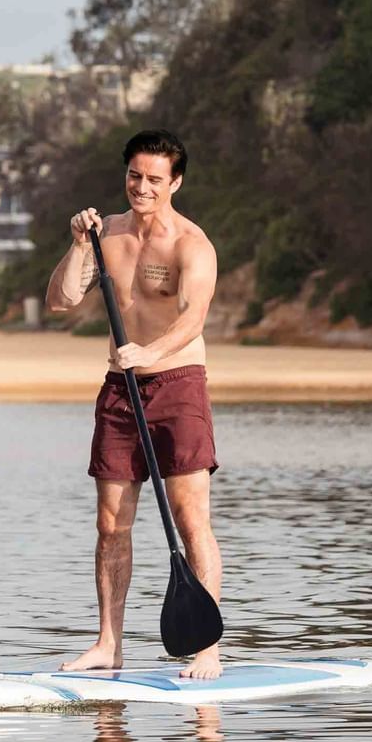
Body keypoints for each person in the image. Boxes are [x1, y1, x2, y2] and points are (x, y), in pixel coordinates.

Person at [45, 129, 223, 679]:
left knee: (192, 519)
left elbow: (193, 317)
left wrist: (148, 350)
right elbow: (60, 301)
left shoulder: (191, 244)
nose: (141, 187)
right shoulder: (107, 236)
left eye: (153, 179)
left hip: (178, 386)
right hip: (119, 392)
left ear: (175, 183)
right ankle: (108, 645)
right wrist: (78, 245)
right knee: (110, 524)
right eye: (133, 176)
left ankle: (207, 647)